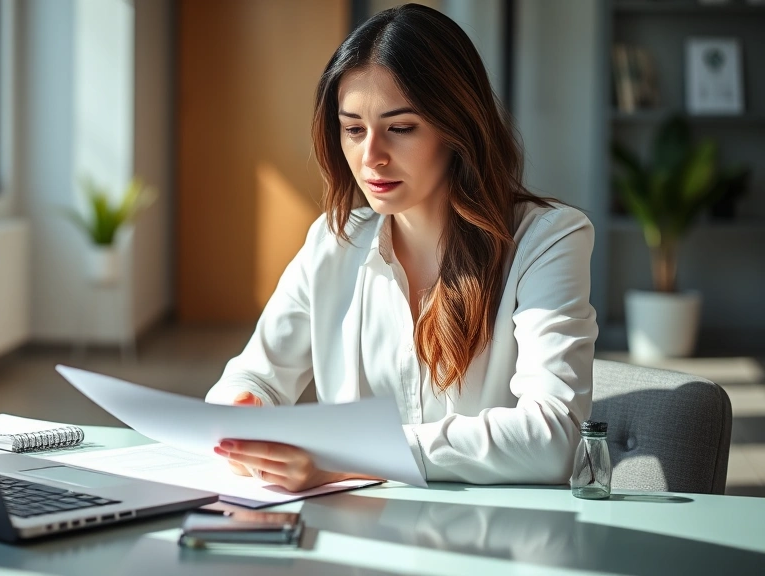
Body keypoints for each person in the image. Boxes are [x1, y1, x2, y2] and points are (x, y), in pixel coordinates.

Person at [206, 4, 597, 492]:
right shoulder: (334, 242)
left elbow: (552, 437)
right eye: (353, 129)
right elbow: (254, 378)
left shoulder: (548, 241)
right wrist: (242, 414)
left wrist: (353, 455)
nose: (371, 156)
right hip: (359, 545)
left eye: (401, 127)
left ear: (458, 129)